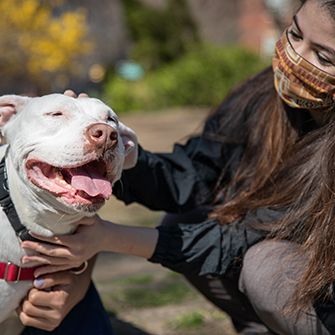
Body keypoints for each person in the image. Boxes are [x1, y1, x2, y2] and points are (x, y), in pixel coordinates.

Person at [18, 0, 335, 333]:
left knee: (268, 270)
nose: (296, 56)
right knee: (187, 219)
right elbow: (195, 175)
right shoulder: (261, 97)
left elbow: (244, 239)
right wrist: (124, 153)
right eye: (295, 34)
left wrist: (111, 237)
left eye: (323, 57)